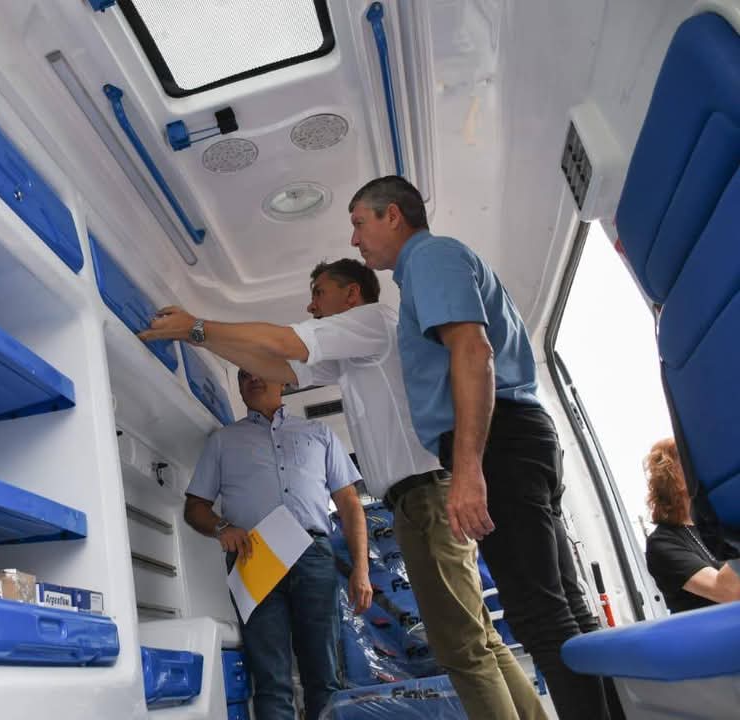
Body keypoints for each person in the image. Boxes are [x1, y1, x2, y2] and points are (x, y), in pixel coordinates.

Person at [142, 259, 546, 720]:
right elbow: (274, 363)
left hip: (412, 500)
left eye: (319, 293)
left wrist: (196, 326)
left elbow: (281, 344)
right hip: (270, 550)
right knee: (473, 641)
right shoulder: (333, 367)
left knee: (461, 646)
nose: (311, 306)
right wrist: (199, 338)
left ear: (351, 295)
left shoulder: (370, 323)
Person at [344, 175, 613, 720]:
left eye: (359, 223)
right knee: (565, 612)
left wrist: (467, 470)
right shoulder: (432, 265)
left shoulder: (429, 258)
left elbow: (473, 350)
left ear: (393, 215)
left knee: (540, 616)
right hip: (516, 435)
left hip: (501, 443)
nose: (355, 239)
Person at [185, 368, 369, 720]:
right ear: (239, 388)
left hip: (313, 554)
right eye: (243, 376)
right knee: (270, 677)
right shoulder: (222, 441)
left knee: (325, 674)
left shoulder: (319, 433)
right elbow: (194, 508)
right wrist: (222, 526)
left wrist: (360, 569)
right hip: (253, 558)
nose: (253, 379)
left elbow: (349, 505)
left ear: (283, 379)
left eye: (260, 370)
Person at [644, 438, 740, 613]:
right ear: (672, 475)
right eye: (693, 462)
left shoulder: (719, 526)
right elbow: (727, 591)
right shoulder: (662, 543)